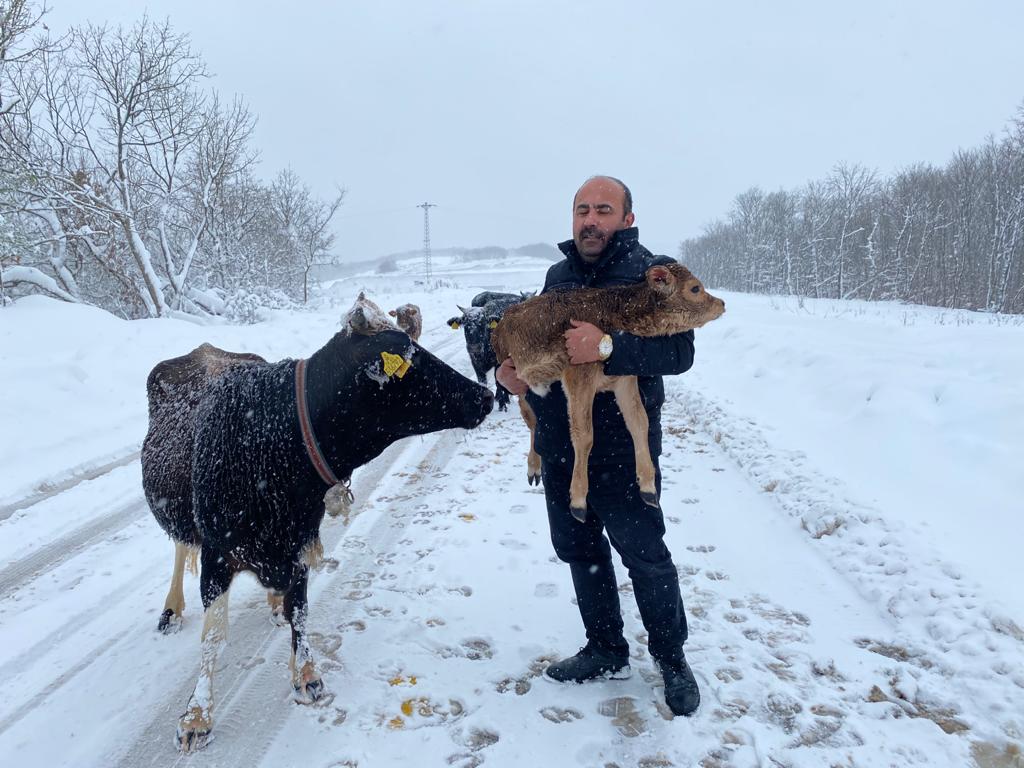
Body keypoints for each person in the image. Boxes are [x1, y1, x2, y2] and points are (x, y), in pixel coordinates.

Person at [495, 175, 700, 716]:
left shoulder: (652, 275)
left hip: (623, 447)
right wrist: (511, 374)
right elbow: (536, 349)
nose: (590, 220)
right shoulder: (557, 276)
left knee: (645, 555)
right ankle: (606, 648)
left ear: (627, 219)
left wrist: (608, 345)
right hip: (563, 441)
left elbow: (680, 353)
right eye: (581, 210)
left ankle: (672, 657)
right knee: (580, 551)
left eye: (603, 210)